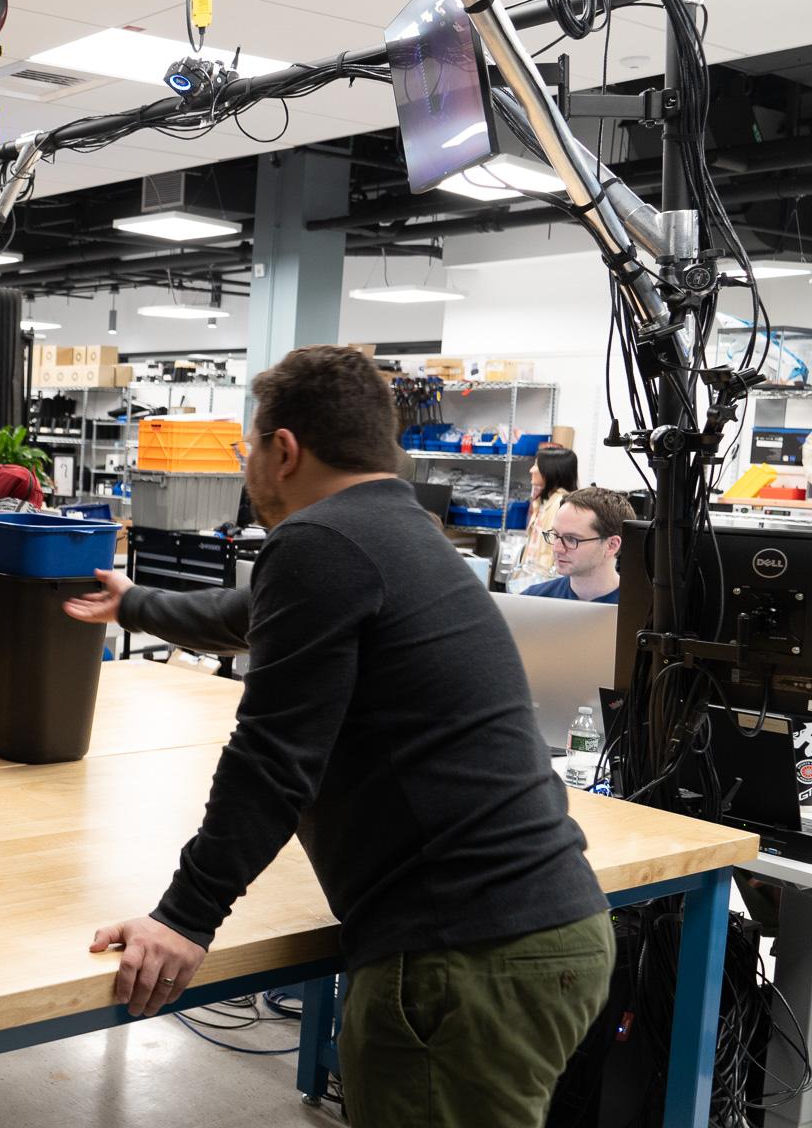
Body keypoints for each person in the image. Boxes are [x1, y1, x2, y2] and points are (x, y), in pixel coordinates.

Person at [65, 346, 610, 1128]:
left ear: (283, 450)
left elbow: (273, 757)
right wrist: (135, 603)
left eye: (251, 443)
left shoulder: (321, 543)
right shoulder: (398, 531)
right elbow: (245, 616)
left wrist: (186, 916)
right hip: (539, 927)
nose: (248, 463)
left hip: (462, 954)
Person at [522, 485, 633, 604]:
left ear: (611, 545)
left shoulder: (645, 610)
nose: (557, 548)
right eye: (555, 535)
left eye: (571, 539)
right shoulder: (533, 601)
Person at [510, 446, 579, 590]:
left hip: (543, 582)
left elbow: (550, 553)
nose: (531, 470)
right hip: (533, 581)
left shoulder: (560, 504)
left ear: (551, 470)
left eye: (536, 465)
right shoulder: (547, 502)